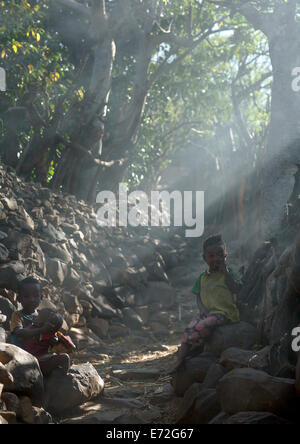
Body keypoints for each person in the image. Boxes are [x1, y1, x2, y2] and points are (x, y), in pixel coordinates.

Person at [174, 234, 242, 371]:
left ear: (225, 256)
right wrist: (202, 309)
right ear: (204, 258)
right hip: (207, 313)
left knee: (203, 325)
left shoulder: (229, 273)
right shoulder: (202, 277)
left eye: (220, 255)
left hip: (225, 313)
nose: (216, 258)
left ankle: (194, 347)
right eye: (211, 256)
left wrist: (226, 272)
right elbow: (198, 296)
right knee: (189, 327)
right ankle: (180, 360)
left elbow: (235, 289)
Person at [23, 308, 75, 377]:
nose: (36, 318)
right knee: (65, 358)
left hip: (37, 361)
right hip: (36, 362)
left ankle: (59, 373)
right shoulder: (36, 331)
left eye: (39, 317)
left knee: (63, 356)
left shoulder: (33, 330)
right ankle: (63, 375)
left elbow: (71, 347)